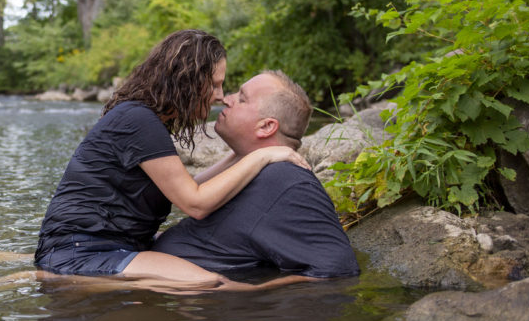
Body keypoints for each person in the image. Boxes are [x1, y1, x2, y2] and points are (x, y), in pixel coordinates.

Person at [33, 30, 308, 286]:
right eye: (214, 85)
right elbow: (195, 203)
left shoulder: (144, 118)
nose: (220, 96)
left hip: (109, 244)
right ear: (186, 80)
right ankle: (297, 290)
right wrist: (264, 156)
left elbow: (186, 186)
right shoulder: (138, 120)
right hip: (80, 251)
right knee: (209, 283)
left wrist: (241, 156)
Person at [151, 70, 359, 282]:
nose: (226, 99)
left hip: (185, 297)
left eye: (241, 99)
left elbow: (339, 269)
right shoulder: (254, 171)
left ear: (267, 126)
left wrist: (254, 291)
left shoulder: (287, 181)